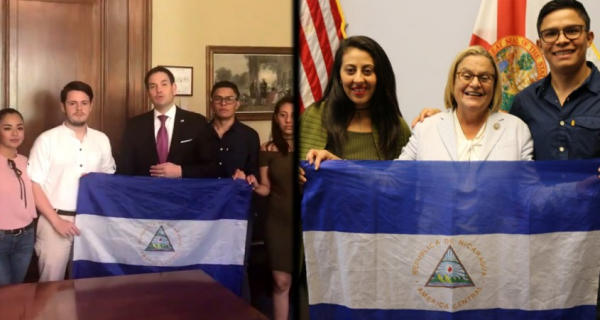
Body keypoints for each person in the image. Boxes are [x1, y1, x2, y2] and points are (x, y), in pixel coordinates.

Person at [28, 81, 116, 282]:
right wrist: (56, 221)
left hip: (91, 222)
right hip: (54, 222)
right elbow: (34, 184)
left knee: (86, 287)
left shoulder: (101, 139)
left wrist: (96, 180)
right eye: (73, 103)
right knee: (50, 289)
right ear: (63, 106)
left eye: (84, 103)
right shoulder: (46, 140)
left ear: (91, 105)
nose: (79, 108)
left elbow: (109, 180)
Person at [398, 46, 533, 161]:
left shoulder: (517, 129)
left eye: (484, 78)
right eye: (466, 76)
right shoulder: (426, 128)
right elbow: (398, 177)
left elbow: (528, 186)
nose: (475, 84)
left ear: (495, 85)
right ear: (453, 81)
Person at [300, 35, 411, 172]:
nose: (358, 79)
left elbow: (404, 185)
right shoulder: (313, 116)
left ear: (380, 76)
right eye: (350, 71)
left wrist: (435, 123)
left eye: (367, 71)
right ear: (339, 76)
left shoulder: (397, 127)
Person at [117, 66, 216, 178]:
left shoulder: (197, 122)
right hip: (145, 192)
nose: (159, 90)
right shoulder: (134, 125)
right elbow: (124, 168)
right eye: (153, 86)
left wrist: (181, 171)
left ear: (174, 88)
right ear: (148, 93)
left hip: (185, 192)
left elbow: (211, 166)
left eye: (164, 84)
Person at [247, 96, 294, 320]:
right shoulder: (267, 149)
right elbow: (265, 187)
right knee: (281, 282)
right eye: (283, 115)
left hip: (308, 222)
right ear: (276, 118)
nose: (288, 121)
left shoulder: (312, 149)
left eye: (294, 116)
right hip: (278, 222)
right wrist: (253, 184)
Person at [0, 108, 36, 285]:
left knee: (16, 292)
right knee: (4, 294)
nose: (15, 133)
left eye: (19, 128)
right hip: (1, 238)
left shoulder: (26, 161)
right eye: (7, 128)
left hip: (26, 237)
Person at [208, 81, 260, 180]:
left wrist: (247, 177)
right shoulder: (199, 133)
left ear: (237, 104)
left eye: (229, 99)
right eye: (218, 99)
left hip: (236, 193)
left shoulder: (250, 136)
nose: (223, 103)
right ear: (211, 104)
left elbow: (254, 173)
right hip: (205, 193)